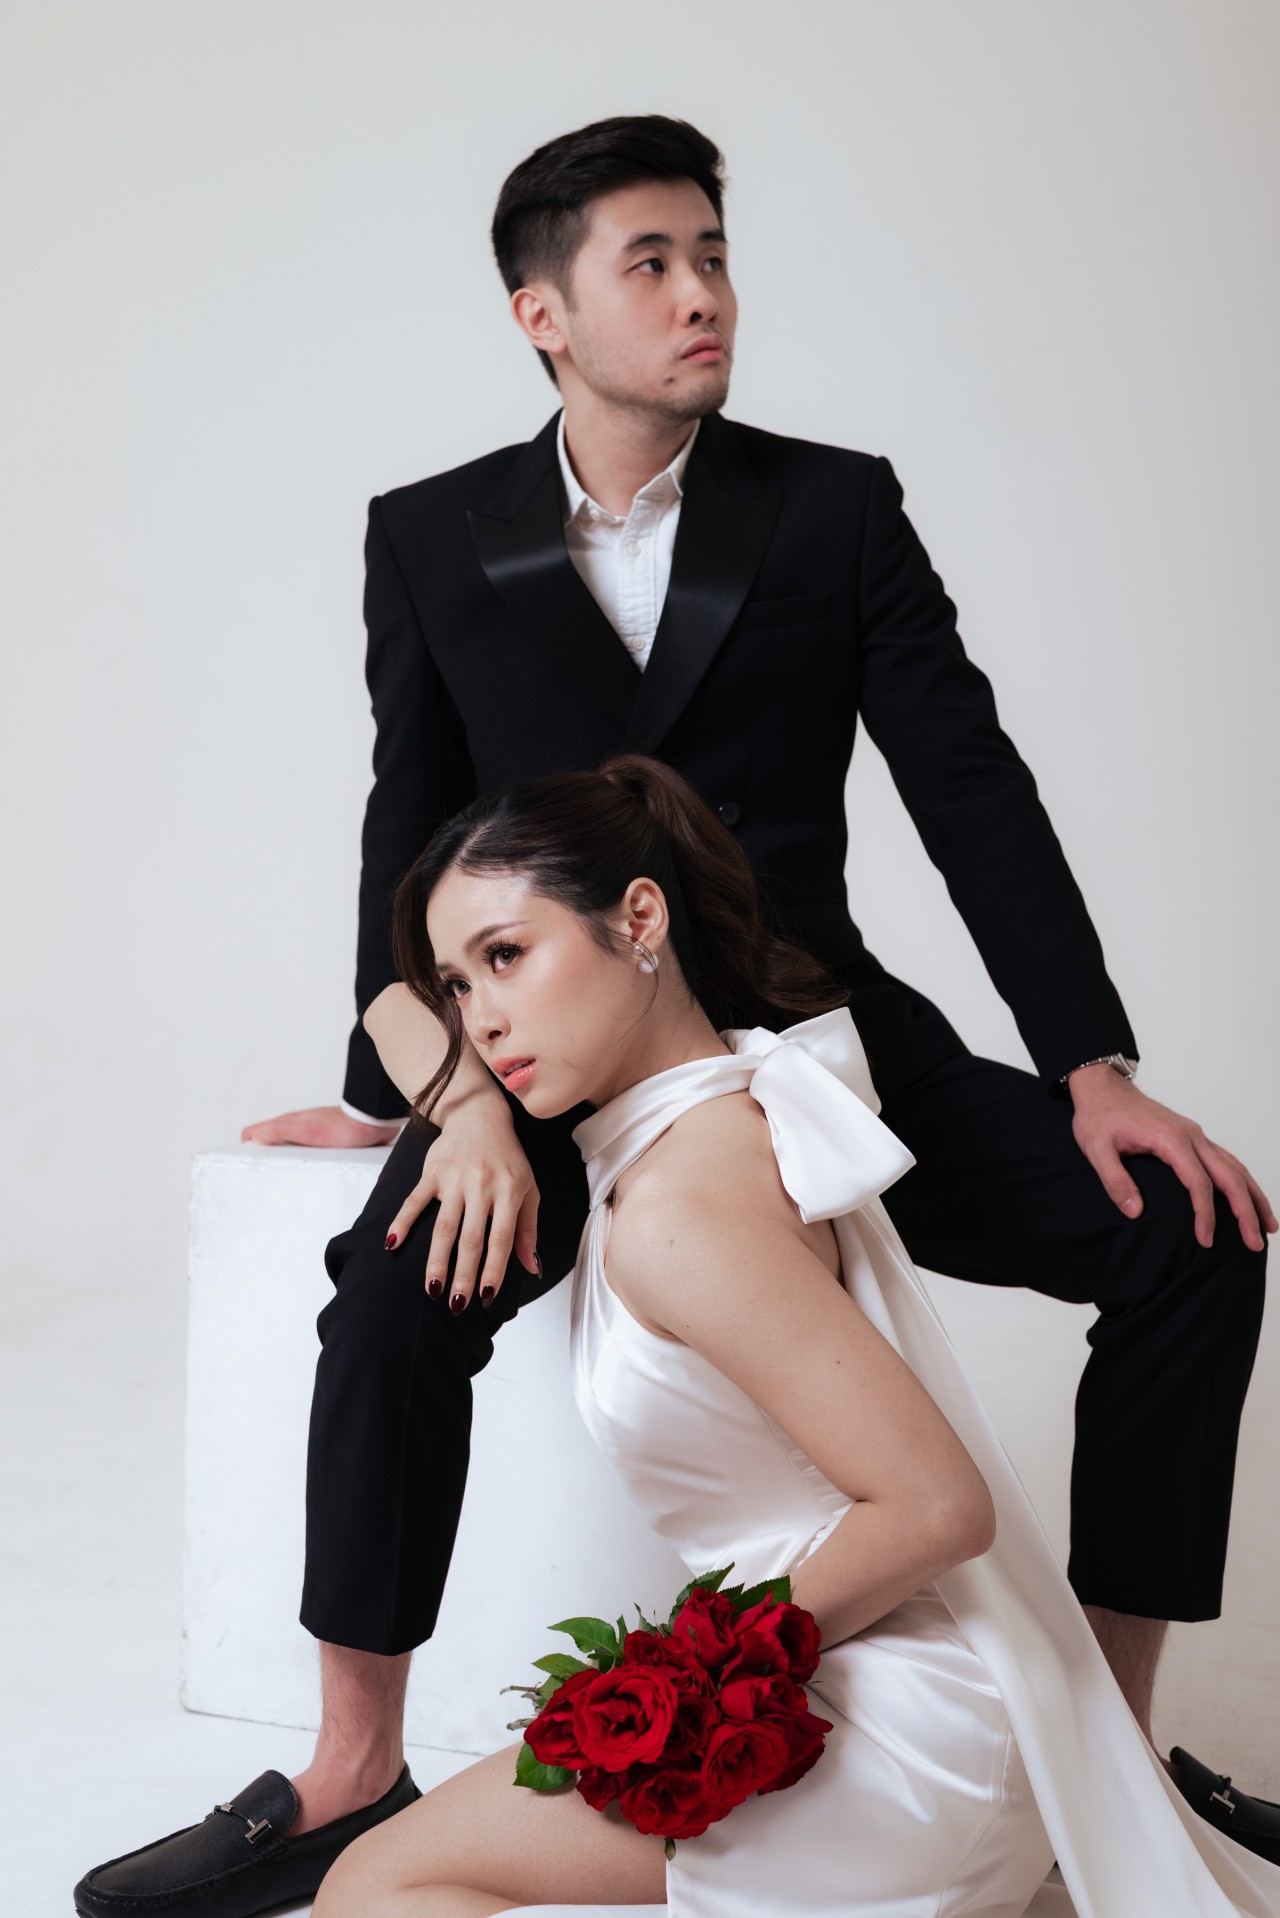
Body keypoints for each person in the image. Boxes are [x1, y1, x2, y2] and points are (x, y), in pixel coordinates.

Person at [75, 115, 1276, 1918]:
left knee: (1189, 1231)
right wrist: (440, 1095)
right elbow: (408, 868)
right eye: (652, 262)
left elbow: (972, 786)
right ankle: (348, 1764)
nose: (704, 291)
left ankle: (1099, 1738)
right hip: (570, 1063)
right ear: (542, 313)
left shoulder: (834, 507)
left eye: (714, 253)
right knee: (391, 1292)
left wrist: (1090, 1067)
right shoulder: (433, 536)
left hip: (824, 1032)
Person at [311, 755, 1280, 1917]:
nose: (481, 1020)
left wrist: (688, 1680)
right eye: (458, 986)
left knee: (378, 1882)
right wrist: (463, 1106)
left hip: (903, 1736)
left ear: (639, 919)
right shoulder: (716, 1118)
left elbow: (937, 1507)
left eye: (506, 955)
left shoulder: (677, 1208)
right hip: (903, 1692)